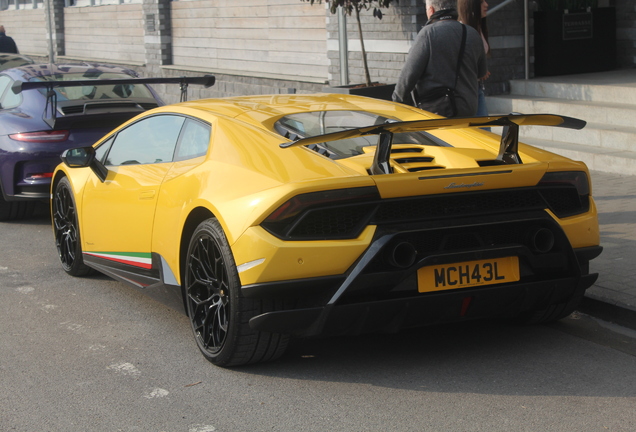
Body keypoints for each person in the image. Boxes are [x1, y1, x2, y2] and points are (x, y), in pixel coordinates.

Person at [392, 0, 487, 117]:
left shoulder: (428, 33)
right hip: (468, 112)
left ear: (431, 10)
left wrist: (398, 106)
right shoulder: (472, 33)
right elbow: (481, 72)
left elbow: (406, 79)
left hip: (437, 113)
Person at [458, 0, 490, 116]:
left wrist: (482, 70)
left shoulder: (478, 27)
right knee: (481, 129)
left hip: (476, 87)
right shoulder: (461, 30)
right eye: (481, 2)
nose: (486, 5)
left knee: (483, 129)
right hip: (464, 90)